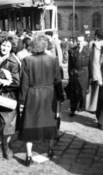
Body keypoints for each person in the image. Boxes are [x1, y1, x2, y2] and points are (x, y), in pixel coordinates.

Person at [18, 33, 64, 166]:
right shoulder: (53, 60)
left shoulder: (27, 60)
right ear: (45, 46)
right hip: (50, 94)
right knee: (50, 122)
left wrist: (22, 100)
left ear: (33, 45)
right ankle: (50, 149)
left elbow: (24, 84)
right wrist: (60, 95)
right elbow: (58, 80)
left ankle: (28, 155)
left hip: (32, 94)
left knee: (29, 124)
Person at [0, 32, 20, 160]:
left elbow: (17, 82)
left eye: (8, 46)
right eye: (3, 45)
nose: (5, 48)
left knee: (8, 123)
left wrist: (3, 82)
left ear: (12, 47)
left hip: (7, 96)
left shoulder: (13, 62)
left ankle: (7, 145)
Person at [68, 34, 91, 117]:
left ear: (84, 41)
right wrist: (70, 75)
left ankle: (81, 106)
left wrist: (90, 77)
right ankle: (72, 109)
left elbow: (90, 65)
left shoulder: (89, 51)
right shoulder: (71, 50)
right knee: (73, 92)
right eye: (78, 41)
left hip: (85, 73)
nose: (79, 43)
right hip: (74, 73)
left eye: (81, 41)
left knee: (82, 91)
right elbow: (70, 65)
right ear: (76, 41)